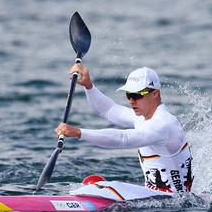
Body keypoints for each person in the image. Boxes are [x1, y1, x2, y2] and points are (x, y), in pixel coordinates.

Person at [55, 64, 193, 193]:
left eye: (137, 95)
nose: (132, 100)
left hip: (173, 205)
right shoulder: (143, 118)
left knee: (97, 186)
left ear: (155, 93)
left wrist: (79, 133)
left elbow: (123, 139)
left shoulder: (163, 124)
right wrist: (88, 86)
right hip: (157, 201)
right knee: (93, 182)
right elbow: (108, 110)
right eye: (129, 95)